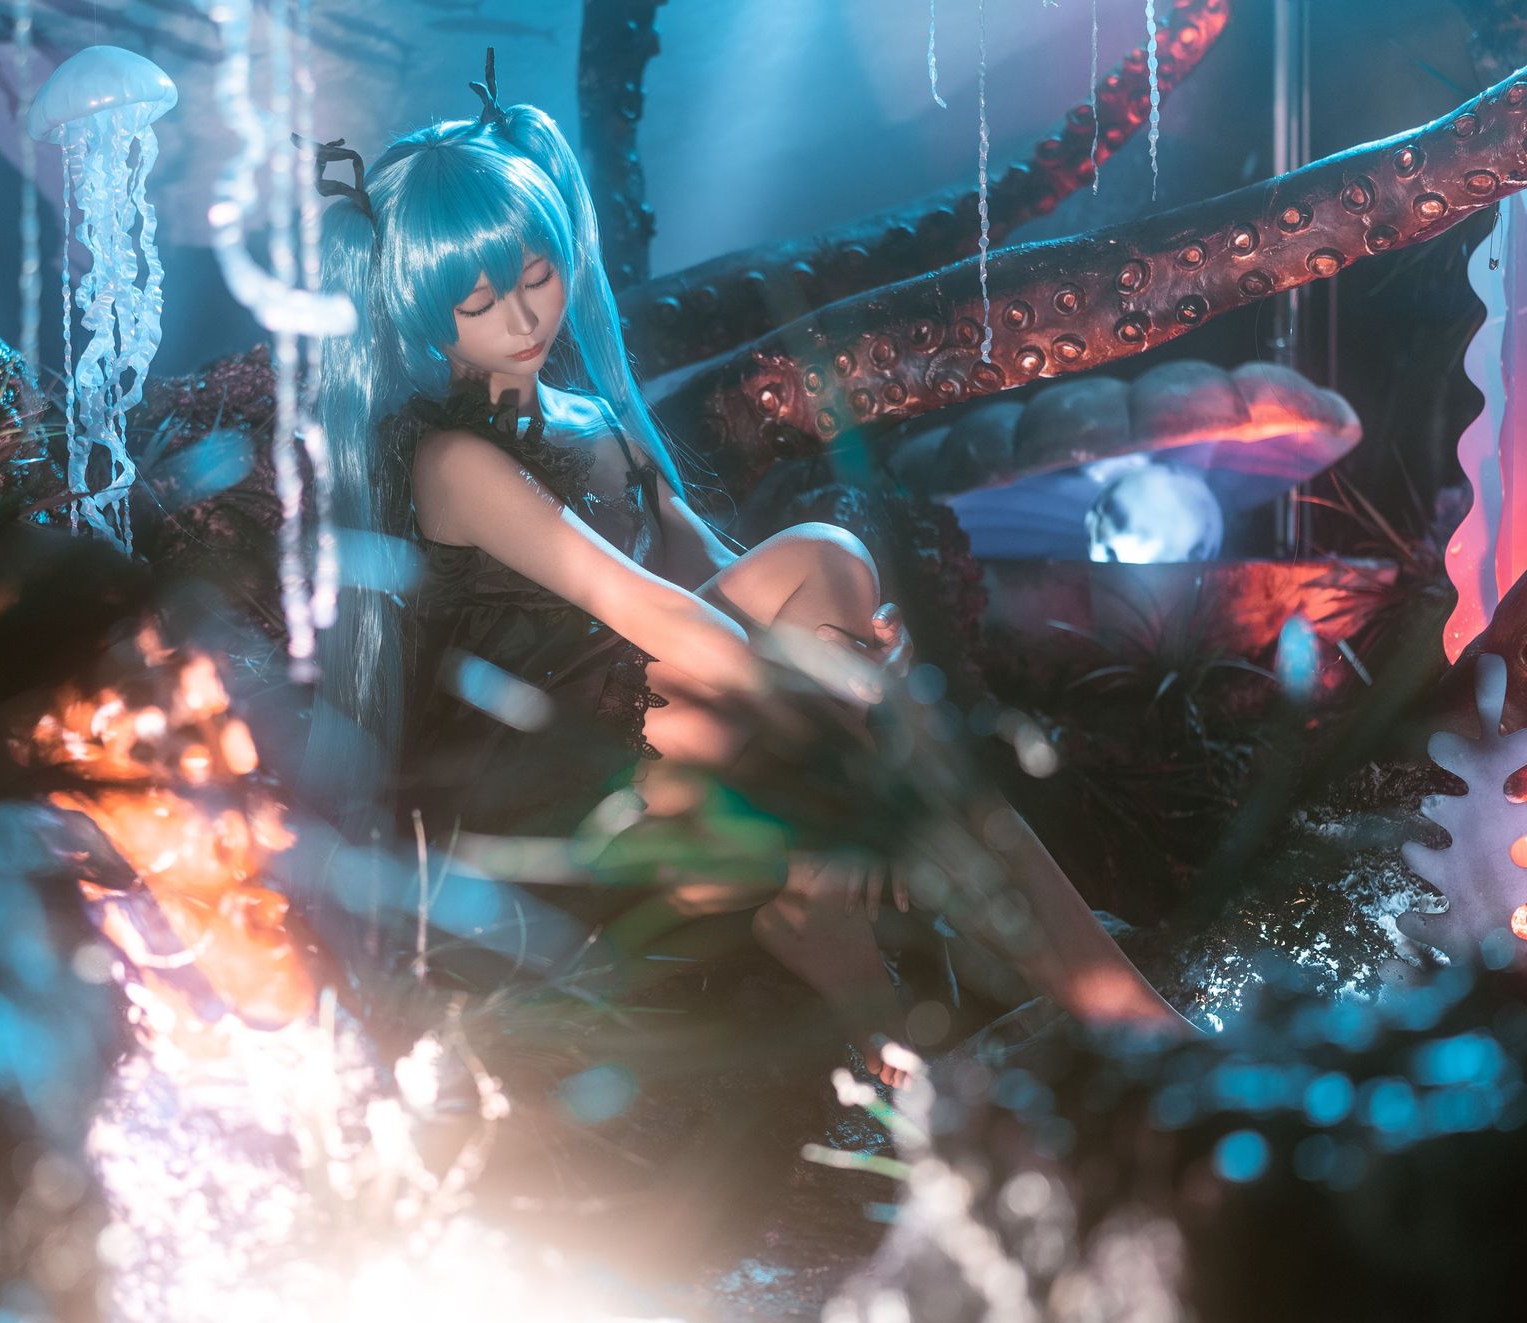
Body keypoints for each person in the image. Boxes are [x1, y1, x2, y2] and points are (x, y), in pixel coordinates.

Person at [304, 59, 1194, 1081]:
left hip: (679, 733)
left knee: (827, 557)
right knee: (842, 721)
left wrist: (864, 666)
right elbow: (667, 621)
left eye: (536, 276)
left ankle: (1052, 993)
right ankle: (880, 932)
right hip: (558, 789)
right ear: (422, 310)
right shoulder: (451, 460)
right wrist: (859, 715)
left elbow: (733, 573)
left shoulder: (597, 427)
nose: (520, 319)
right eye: (477, 300)